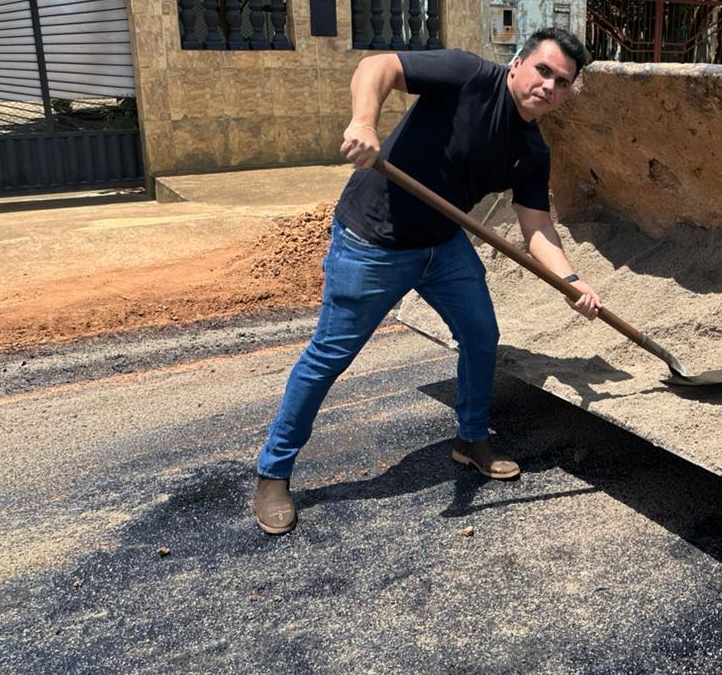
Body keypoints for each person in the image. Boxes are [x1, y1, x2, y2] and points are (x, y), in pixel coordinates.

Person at [253, 28, 601, 535]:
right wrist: (364, 122)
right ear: (518, 64)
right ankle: (273, 470)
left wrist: (571, 281)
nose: (548, 85)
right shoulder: (467, 75)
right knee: (329, 355)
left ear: (566, 94)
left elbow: (537, 227)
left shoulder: (531, 151)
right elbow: (379, 66)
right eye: (542, 70)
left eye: (561, 81)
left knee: (481, 335)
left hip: (442, 245)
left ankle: (471, 438)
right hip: (373, 240)